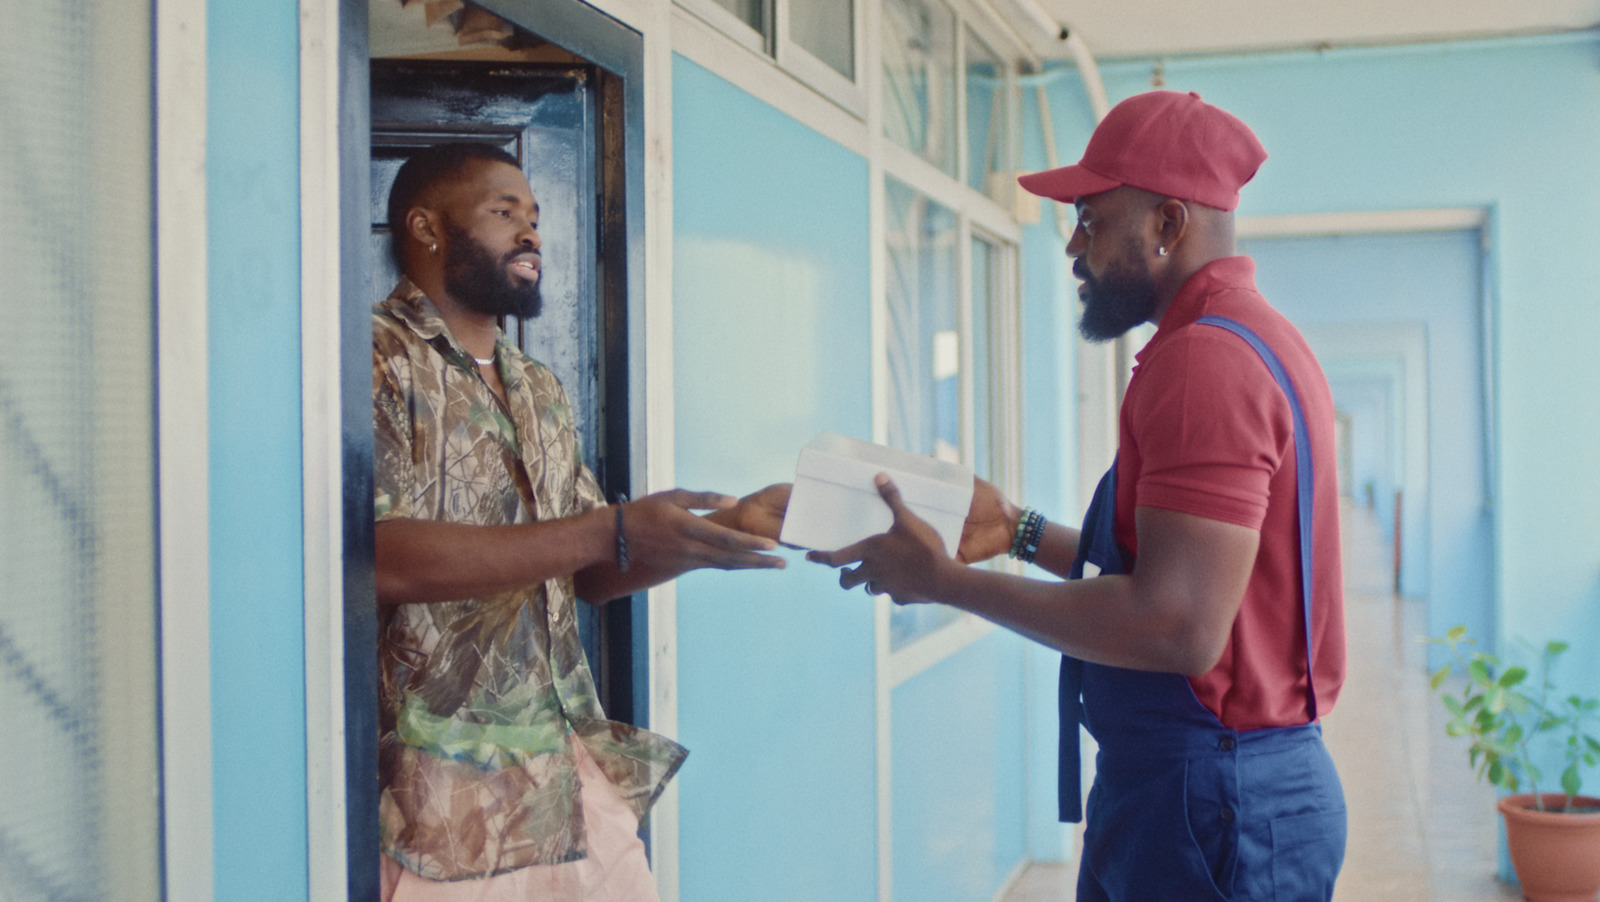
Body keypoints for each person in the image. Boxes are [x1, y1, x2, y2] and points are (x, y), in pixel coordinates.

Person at [811, 91, 1348, 901]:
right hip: (1212, 786)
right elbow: (1184, 574)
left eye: (1091, 218)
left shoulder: (1207, 362)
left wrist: (943, 582)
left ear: (1168, 225)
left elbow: (1176, 626)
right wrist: (1018, 531)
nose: (1071, 244)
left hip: (1213, 799)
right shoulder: (1250, 338)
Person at [373, 142, 787, 901]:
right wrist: (612, 527)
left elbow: (593, 575)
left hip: (567, 774)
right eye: (505, 213)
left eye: (535, 217)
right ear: (426, 228)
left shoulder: (538, 386)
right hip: (437, 806)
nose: (532, 233)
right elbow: (382, 559)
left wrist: (720, 528)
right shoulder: (373, 355)